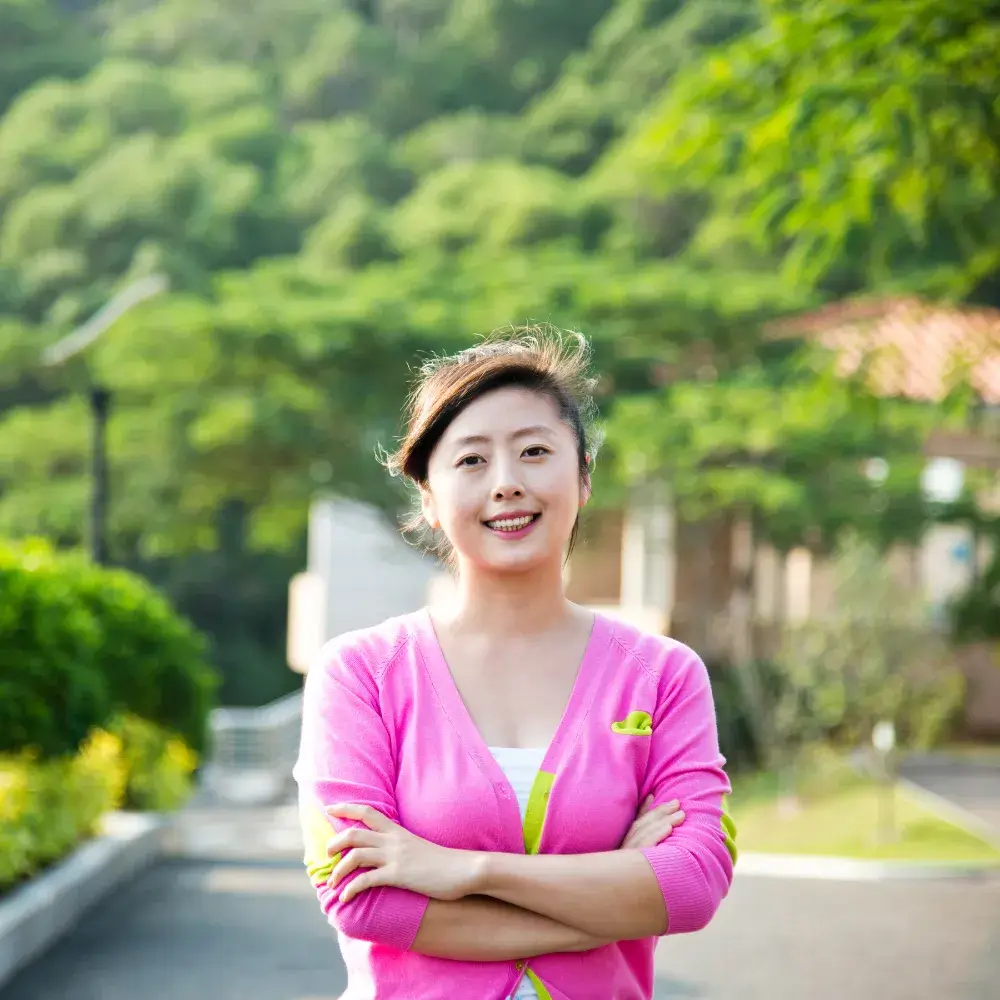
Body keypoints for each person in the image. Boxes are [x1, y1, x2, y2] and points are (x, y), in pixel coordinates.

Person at [293, 328, 737, 1000]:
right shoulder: (361, 673)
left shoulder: (662, 675)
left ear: (583, 478)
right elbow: (364, 902)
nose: (507, 484)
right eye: (471, 462)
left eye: (534, 452)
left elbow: (693, 885)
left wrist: (464, 871)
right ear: (429, 501)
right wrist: (616, 888)